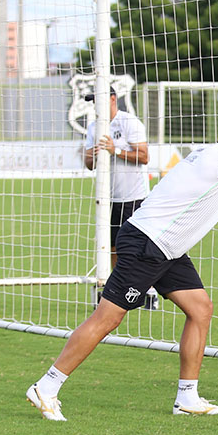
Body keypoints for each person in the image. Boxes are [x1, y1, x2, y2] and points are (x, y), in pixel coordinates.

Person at [26, 111, 218, 420]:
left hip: (167, 249)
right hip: (148, 244)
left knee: (200, 308)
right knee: (107, 319)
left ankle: (187, 398)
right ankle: (46, 387)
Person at [83, 87, 158, 309]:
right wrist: (94, 154)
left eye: (98, 100)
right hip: (107, 199)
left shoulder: (129, 122)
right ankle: (120, 290)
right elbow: (88, 165)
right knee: (112, 246)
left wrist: (115, 150)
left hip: (133, 196)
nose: (95, 105)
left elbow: (144, 157)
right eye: (93, 101)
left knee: (138, 247)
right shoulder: (94, 127)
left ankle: (149, 291)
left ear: (113, 99)